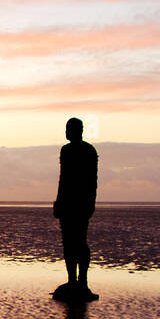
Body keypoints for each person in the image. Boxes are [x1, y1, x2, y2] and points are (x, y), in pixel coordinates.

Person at [52, 118, 99, 301]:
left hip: (79, 204)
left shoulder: (87, 150)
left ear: (77, 130)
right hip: (68, 204)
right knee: (69, 243)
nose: (66, 132)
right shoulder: (67, 150)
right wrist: (59, 202)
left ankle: (82, 281)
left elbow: (91, 181)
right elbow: (63, 180)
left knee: (79, 242)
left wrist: (90, 204)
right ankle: (73, 280)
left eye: (68, 129)